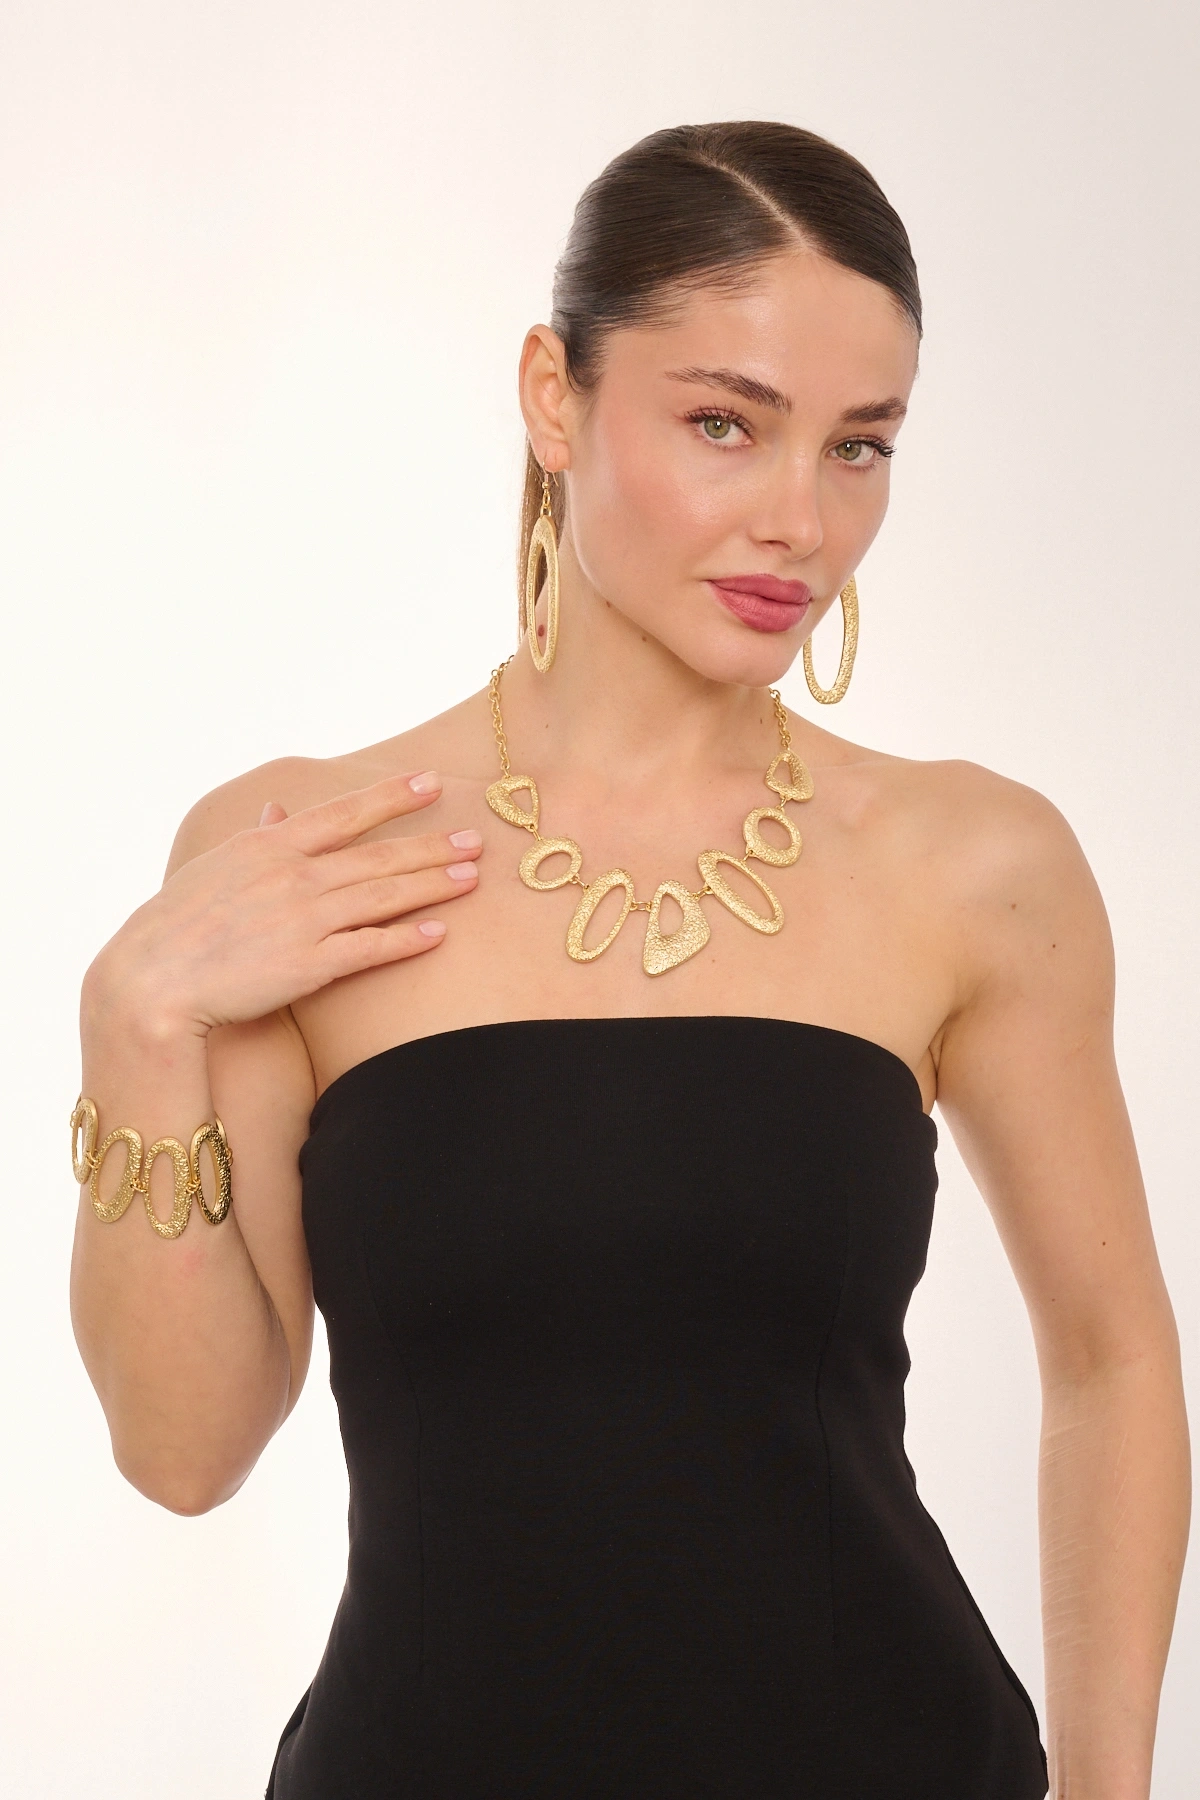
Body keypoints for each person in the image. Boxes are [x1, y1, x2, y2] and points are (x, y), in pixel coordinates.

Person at [69, 122, 1189, 1800]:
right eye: (726, 423)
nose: (801, 520)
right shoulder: (301, 855)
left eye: (860, 447)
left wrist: (1108, 1788)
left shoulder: (973, 865)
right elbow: (182, 1453)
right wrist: (134, 1018)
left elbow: (1112, 1361)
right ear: (554, 396)